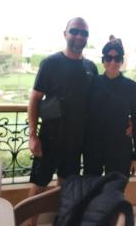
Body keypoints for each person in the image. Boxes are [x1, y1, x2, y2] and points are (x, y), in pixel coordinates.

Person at [27, 17, 98, 226]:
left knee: (65, 188)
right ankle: (30, 223)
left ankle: (61, 222)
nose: (79, 36)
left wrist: (126, 119)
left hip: (75, 144)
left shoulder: (90, 67)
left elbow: (98, 102)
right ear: (65, 33)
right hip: (48, 139)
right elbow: (34, 99)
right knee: (39, 185)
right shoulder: (51, 63)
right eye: (74, 31)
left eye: (84, 33)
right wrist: (32, 136)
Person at [84, 38, 136, 179]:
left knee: (115, 191)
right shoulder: (92, 83)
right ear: (103, 60)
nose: (112, 62)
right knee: (91, 188)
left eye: (117, 59)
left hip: (120, 148)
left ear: (122, 61)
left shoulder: (131, 87)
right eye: (109, 58)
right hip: (93, 146)